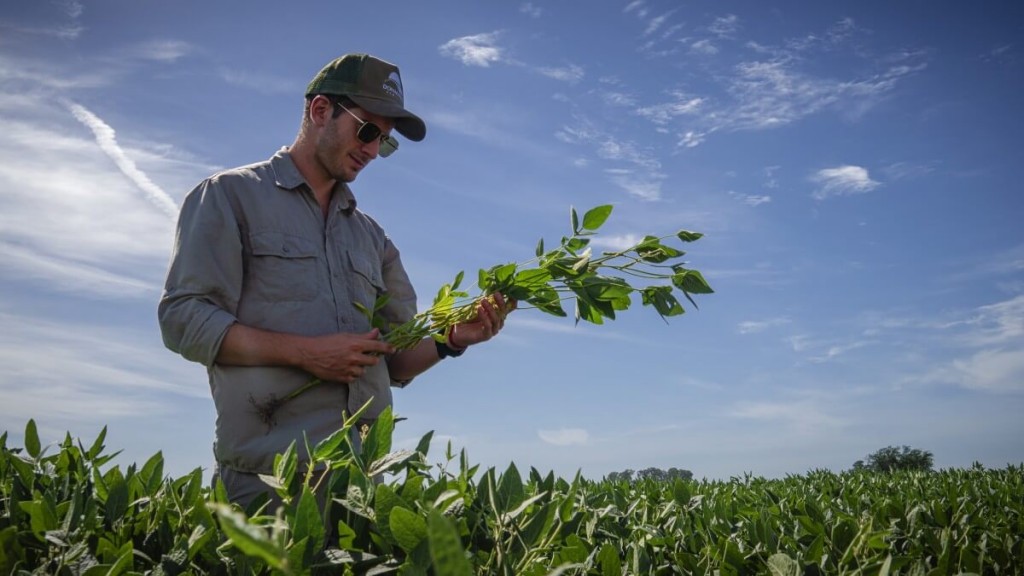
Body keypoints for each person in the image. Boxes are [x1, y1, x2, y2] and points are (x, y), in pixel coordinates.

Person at [158, 53, 512, 508]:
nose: (372, 151)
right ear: (321, 110)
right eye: (367, 131)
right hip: (268, 486)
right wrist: (305, 354)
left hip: (361, 489)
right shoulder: (230, 196)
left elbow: (393, 361)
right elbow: (183, 320)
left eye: (384, 141)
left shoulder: (373, 240)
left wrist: (451, 340)